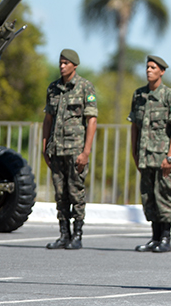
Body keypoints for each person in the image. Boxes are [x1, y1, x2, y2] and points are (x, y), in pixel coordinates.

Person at [43, 49, 98, 250]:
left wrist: (86, 152)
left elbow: (91, 121)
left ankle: (77, 234)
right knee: (60, 194)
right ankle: (63, 234)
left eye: (66, 63)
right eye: (61, 62)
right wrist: (44, 146)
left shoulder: (85, 87)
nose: (62, 66)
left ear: (75, 65)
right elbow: (48, 119)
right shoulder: (53, 88)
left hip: (76, 150)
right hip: (56, 149)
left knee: (76, 193)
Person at [128, 55, 171, 253]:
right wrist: (134, 152)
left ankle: (166, 238)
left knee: (164, 196)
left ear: (162, 72)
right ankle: (155, 237)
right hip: (145, 156)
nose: (149, 70)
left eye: (153, 68)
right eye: (147, 67)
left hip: (162, 157)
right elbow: (135, 126)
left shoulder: (170, 96)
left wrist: (170, 156)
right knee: (149, 197)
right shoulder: (139, 95)